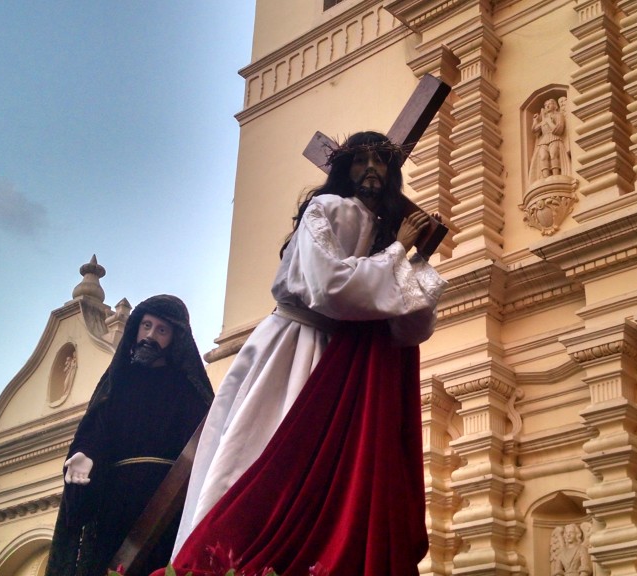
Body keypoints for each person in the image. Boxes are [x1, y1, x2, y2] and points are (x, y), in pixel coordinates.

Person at [163, 132, 447, 575]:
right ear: (344, 169)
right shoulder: (326, 209)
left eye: (382, 161)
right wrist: (398, 251)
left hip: (344, 364)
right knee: (266, 453)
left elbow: (405, 322)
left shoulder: (384, 230)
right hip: (295, 346)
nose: (372, 169)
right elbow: (330, 285)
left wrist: (412, 259)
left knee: (333, 481)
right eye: (361, 160)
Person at [45, 295, 214, 576]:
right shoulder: (119, 382)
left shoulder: (187, 389)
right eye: (146, 325)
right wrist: (85, 453)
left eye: (161, 329)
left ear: (175, 337)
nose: (150, 335)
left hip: (167, 505)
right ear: (136, 328)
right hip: (115, 505)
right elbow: (98, 427)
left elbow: (205, 441)